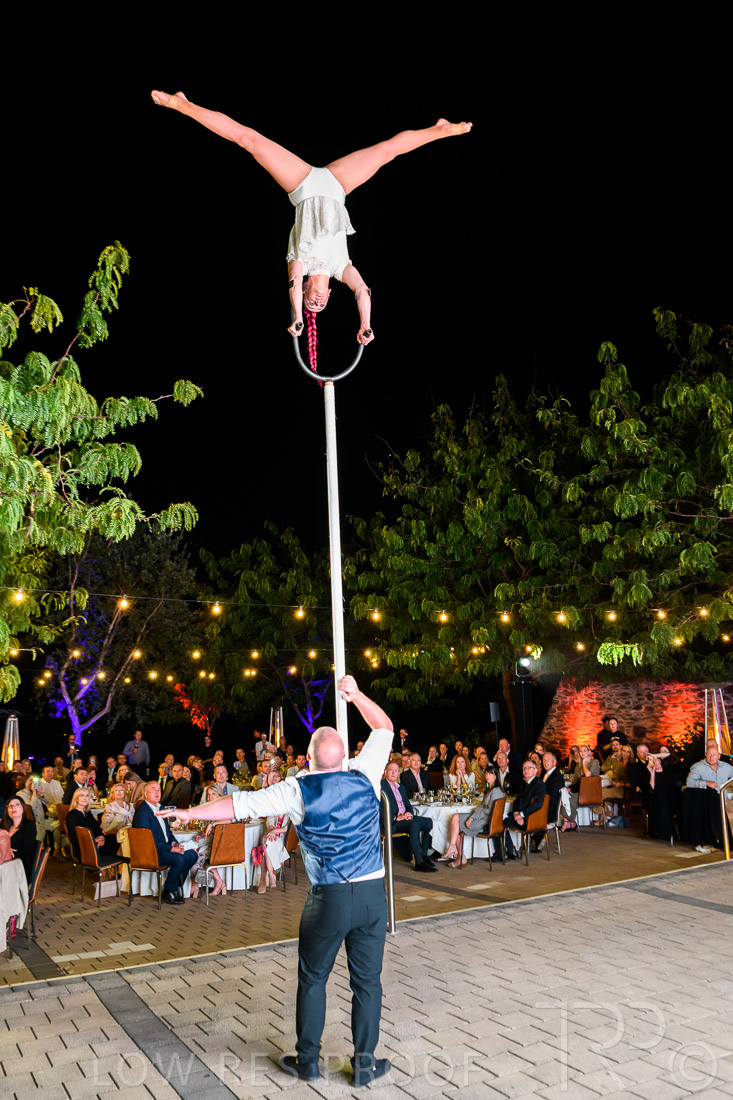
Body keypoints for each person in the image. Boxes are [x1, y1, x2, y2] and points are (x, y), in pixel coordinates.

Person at [159, 675, 394, 1087]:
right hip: (374, 894)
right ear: (345, 756)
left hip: (330, 898)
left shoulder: (296, 789)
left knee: (313, 979)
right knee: (367, 983)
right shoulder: (366, 772)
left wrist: (189, 813)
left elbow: (238, 806)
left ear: (308, 759)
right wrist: (356, 696)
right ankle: (363, 1065)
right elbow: (384, 727)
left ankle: (308, 1061)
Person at [151, 90, 471, 354]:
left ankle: (183, 104)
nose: (316, 303)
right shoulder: (340, 268)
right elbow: (362, 290)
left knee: (249, 139)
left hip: (303, 186)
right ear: (329, 295)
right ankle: (440, 130)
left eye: (310, 303)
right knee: (387, 151)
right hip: (337, 186)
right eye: (321, 305)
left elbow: (292, 280)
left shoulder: (298, 264)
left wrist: (298, 316)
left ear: (306, 290)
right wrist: (365, 325)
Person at [132, 781, 198, 905]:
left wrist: (175, 844)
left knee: (192, 855)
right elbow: (148, 841)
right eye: (153, 790)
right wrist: (171, 849)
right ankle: (169, 891)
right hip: (152, 852)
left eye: (159, 790)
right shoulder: (142, 813)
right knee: (180, 859)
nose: (157, 792)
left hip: (163, 848)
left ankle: (175, 887)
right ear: (145, 794)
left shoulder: (161, 808)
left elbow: (167, 832)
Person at [440, 765, 504, 865]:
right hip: (482, 818)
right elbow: (483, 806)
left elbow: (489, 810)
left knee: (456, 819)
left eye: (491, 774)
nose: (487, 776)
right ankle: (458, 854)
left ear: (496, 776)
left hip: (485, 822)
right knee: (455, 825)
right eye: (486, 774)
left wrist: (472, 817)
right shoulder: (490, 788)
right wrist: (475, 812)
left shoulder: (496, 791)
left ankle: (454, 850)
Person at [381, 762, 436, 873]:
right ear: (385, 772)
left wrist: (409, 814)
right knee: (415, 824)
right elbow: (378, 808)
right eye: (391, 770)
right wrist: (398, 817)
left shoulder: (401, 787)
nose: (393, 773)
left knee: (429, 822)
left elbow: (408, 805)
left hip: (404, 819)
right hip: (391, 822)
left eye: (396, 771)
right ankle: (419, 862)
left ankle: (424, 855)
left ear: (398, 773)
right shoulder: (381, 787)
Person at [502, 761, 547, 860]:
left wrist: (522, 815)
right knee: (500, 819)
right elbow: (516, 802)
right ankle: (512, 849)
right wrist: (516, 813)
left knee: (498, 822)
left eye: (529, 768)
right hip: (521, 816)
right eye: (524, 768)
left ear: (535, 770)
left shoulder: (539, 784)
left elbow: (538, 804)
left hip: (530, 819)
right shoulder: (524, 783)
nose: (526, 770)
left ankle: (511, 850)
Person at [257, 770, 290, 894]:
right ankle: (271, 876)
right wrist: (271, 829)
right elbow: (269, 819)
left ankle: (265, 877)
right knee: (268, 841)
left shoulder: (290, 805)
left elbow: (289, 827)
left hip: (284, 836)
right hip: (273, 834)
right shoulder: (274, 803)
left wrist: (275, 831)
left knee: (267, 843)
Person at [561, 744, 600, 830]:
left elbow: (588, 775)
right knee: (565, 795)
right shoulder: (578, 765)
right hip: (579, 790)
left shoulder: (595, 762)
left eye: (584, 751)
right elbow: (575, 781)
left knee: (571, 796)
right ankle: (568, 821)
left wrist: (583, 763)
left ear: (589, 752)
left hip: (591, 791)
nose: (582, 753)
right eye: (581, 751)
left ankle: (570, 822)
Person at [3, 796, 38, 882]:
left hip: (19, 869)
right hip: (4, 865)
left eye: (17, 805)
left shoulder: (29, 825)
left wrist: (6, 850)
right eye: (10, 806)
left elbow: (27, 851)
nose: (13, 808)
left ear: (23, 808)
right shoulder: (4, 826)